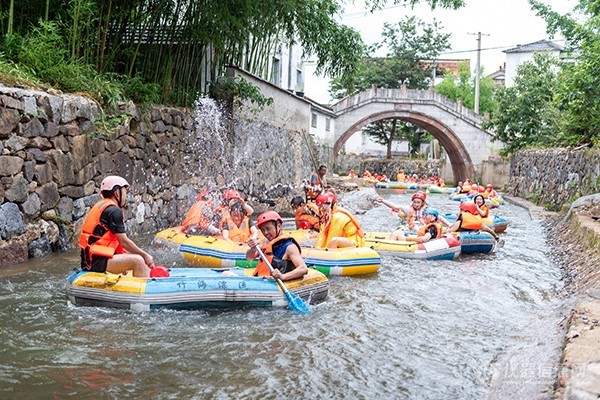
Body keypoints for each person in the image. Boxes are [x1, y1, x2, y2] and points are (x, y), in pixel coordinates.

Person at [79, 175, 154, 278]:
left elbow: (118, 243)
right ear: (117, 193)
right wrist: (145, 255)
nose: (125, 196)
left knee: (136, 258)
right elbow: (124, 242)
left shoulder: (103, 206)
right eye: (124, 192)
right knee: (139, 261)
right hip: (96, 262)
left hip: (91, 259)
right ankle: (144, 291)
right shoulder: (114, 211)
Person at [246, 211, 308, 281]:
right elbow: (248, 257)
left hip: (277, 285)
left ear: (279, 226)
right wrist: (253, 249)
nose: (265, 233)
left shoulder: (289, 247)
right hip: (262, 281)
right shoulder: (264, 242)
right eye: (263, 230)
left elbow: (303, 268)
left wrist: (283, 276)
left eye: (268, 228)